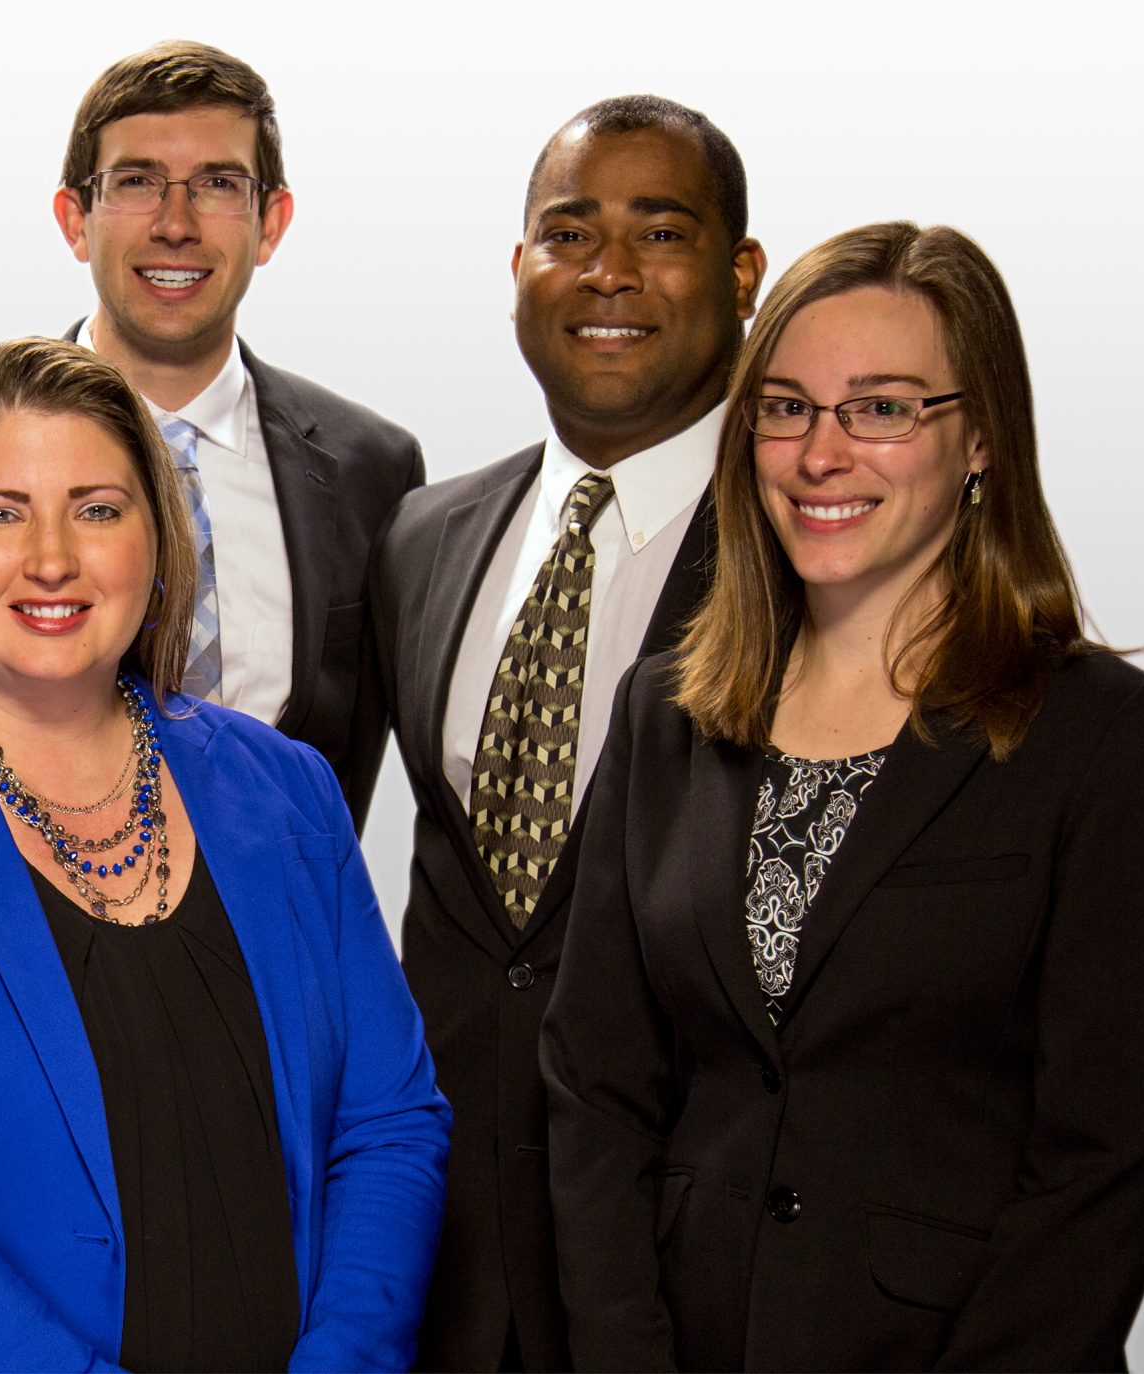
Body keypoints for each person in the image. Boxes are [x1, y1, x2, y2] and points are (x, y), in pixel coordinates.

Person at [0, 337, 449, 1372]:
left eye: (97, 510)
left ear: (159, 539)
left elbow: (389, 1125)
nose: (51, 558)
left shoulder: (285, 790)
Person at [541, 222, 1144, 1370]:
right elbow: (594, 1086)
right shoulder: (665, 714)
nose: (820, 453)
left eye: (881, 408)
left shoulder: (1103, 738)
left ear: (980, 435)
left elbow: (1103, 1163)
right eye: (785, 408)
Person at [368, 95, 765, 1371]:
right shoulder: (424, 535)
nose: (609, 271)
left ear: (742, 274)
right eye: (570, 232)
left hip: (691, 1265)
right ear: (518, 268)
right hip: (439, 1256)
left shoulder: (802, 549)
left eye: (661, 232)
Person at [0, 40, 421, 823]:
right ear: (74, 219)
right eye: (137, 183)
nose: (175, 224)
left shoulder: (373, 473)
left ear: (271, 222)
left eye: (218, 184)